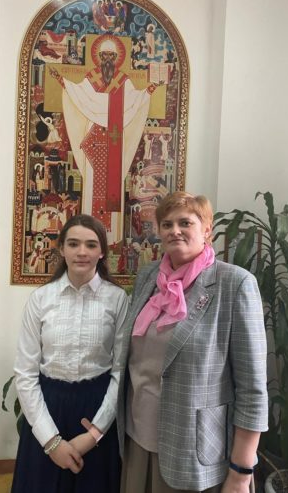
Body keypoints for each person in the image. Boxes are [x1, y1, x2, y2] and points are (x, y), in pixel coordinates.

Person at [116, 191, 268, 493]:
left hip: (195, 453)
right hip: (138, 440)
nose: (175, 231)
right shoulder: (148, 278)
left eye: (185, 222)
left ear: (207, 230)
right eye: (167, 224)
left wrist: (241, 472)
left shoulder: (234, 284)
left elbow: (252, 389)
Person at [11, 214, 129, 493]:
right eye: (73, 244)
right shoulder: (41, 299)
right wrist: (51, 441)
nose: (82, 252)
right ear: (62, 249)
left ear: (102, 252)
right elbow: (25, 373)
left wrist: (94, 434)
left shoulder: (117, 299)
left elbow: (121, 371)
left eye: (91, 244)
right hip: (47, 409)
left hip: (98, 409)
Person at [58, 35, 157, 244]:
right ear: (99, 57)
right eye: (105, 55)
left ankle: (111, 237)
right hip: (94, 137)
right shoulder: (91, 78)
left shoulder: (123, 80)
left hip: (114, 138)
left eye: (112, 56)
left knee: (113, 182)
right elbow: (80, 96)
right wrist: (64, 83)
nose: (108, 60)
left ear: (116, 58)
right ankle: (88, 234)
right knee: (92, 182)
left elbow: (133, 101)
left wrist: (148, 91)